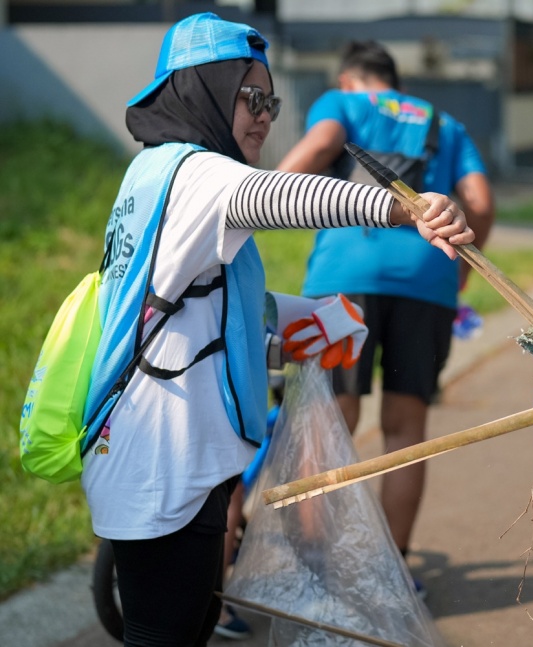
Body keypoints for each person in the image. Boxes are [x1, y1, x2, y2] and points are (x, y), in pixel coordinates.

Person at [79, 13, 474, 646]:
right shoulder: (195, 172)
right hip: (162, 463)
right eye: (250, 97)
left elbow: (204, 308)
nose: (265, 115)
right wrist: (407, 207)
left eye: (272, 100)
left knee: (186, 625)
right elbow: (284, 197)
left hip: (171, 460)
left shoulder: (158, 173)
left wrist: (299, 327)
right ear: (205, 88)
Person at [277, 40, 495, 576]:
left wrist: (262, 191)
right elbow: (482, 202)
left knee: (330, 421)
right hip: (428, 280)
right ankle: (392, 570)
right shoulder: (447, 123)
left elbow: (314, 151)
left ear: (350, 79)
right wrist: (459, 273)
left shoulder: (342, 104)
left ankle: (315, 568)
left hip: (344, 278)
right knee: (405, 428)